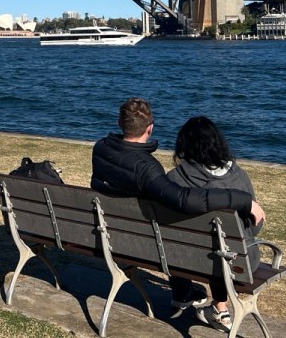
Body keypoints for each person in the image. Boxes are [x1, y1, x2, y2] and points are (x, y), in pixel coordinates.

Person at [90, 99, 265, 320]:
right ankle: (218, 308)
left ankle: (183, 293)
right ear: (150, 127)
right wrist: (242, 200)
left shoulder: (101, 149)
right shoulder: (147, 168)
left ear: (119, 122)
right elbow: (183, 200)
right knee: (213, 244)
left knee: (175, 235)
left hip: (120, 236)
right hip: (228, 260)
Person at [166, 116, 263, 331]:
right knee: (222, 248)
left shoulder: (174, 179)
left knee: (181, 241)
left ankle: (182, 294)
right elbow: (255, 227)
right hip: (239, 262)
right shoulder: (238, 178)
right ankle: (220, 308)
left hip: (187, 256)